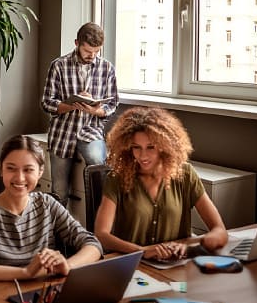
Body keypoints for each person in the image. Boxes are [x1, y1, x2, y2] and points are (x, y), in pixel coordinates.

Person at [0, 136, 103, 281]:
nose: (19, 178)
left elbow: (93, 244)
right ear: (1, 170)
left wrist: (68, 266)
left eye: (28, 170)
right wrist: (25, 273)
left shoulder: (47, 205)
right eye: (11, 168)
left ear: (40, 172)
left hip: (40, 296)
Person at [92, 106, 228, 261]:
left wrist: (196, 244)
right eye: (136, 147)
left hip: (177, 264)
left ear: (164, 146)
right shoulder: (116, 179)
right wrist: (142, 251)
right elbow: (102, 235)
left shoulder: (185, 174)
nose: (143, 155)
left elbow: (219, 230)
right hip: (134, 264)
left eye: (150, 147)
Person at [39, 22, 119, 209]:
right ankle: (58, 233)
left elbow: (113, 103)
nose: (92, 55)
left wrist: (95, 110)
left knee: (100, 170)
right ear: (77, 43)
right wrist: (70, 104)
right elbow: (46, 102)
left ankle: (98, 229)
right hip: (62, 132)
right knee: (59, 191)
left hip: (91, 130)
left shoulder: (107, 68)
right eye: (87, 51)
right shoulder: (58, 66)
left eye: (96, 51)